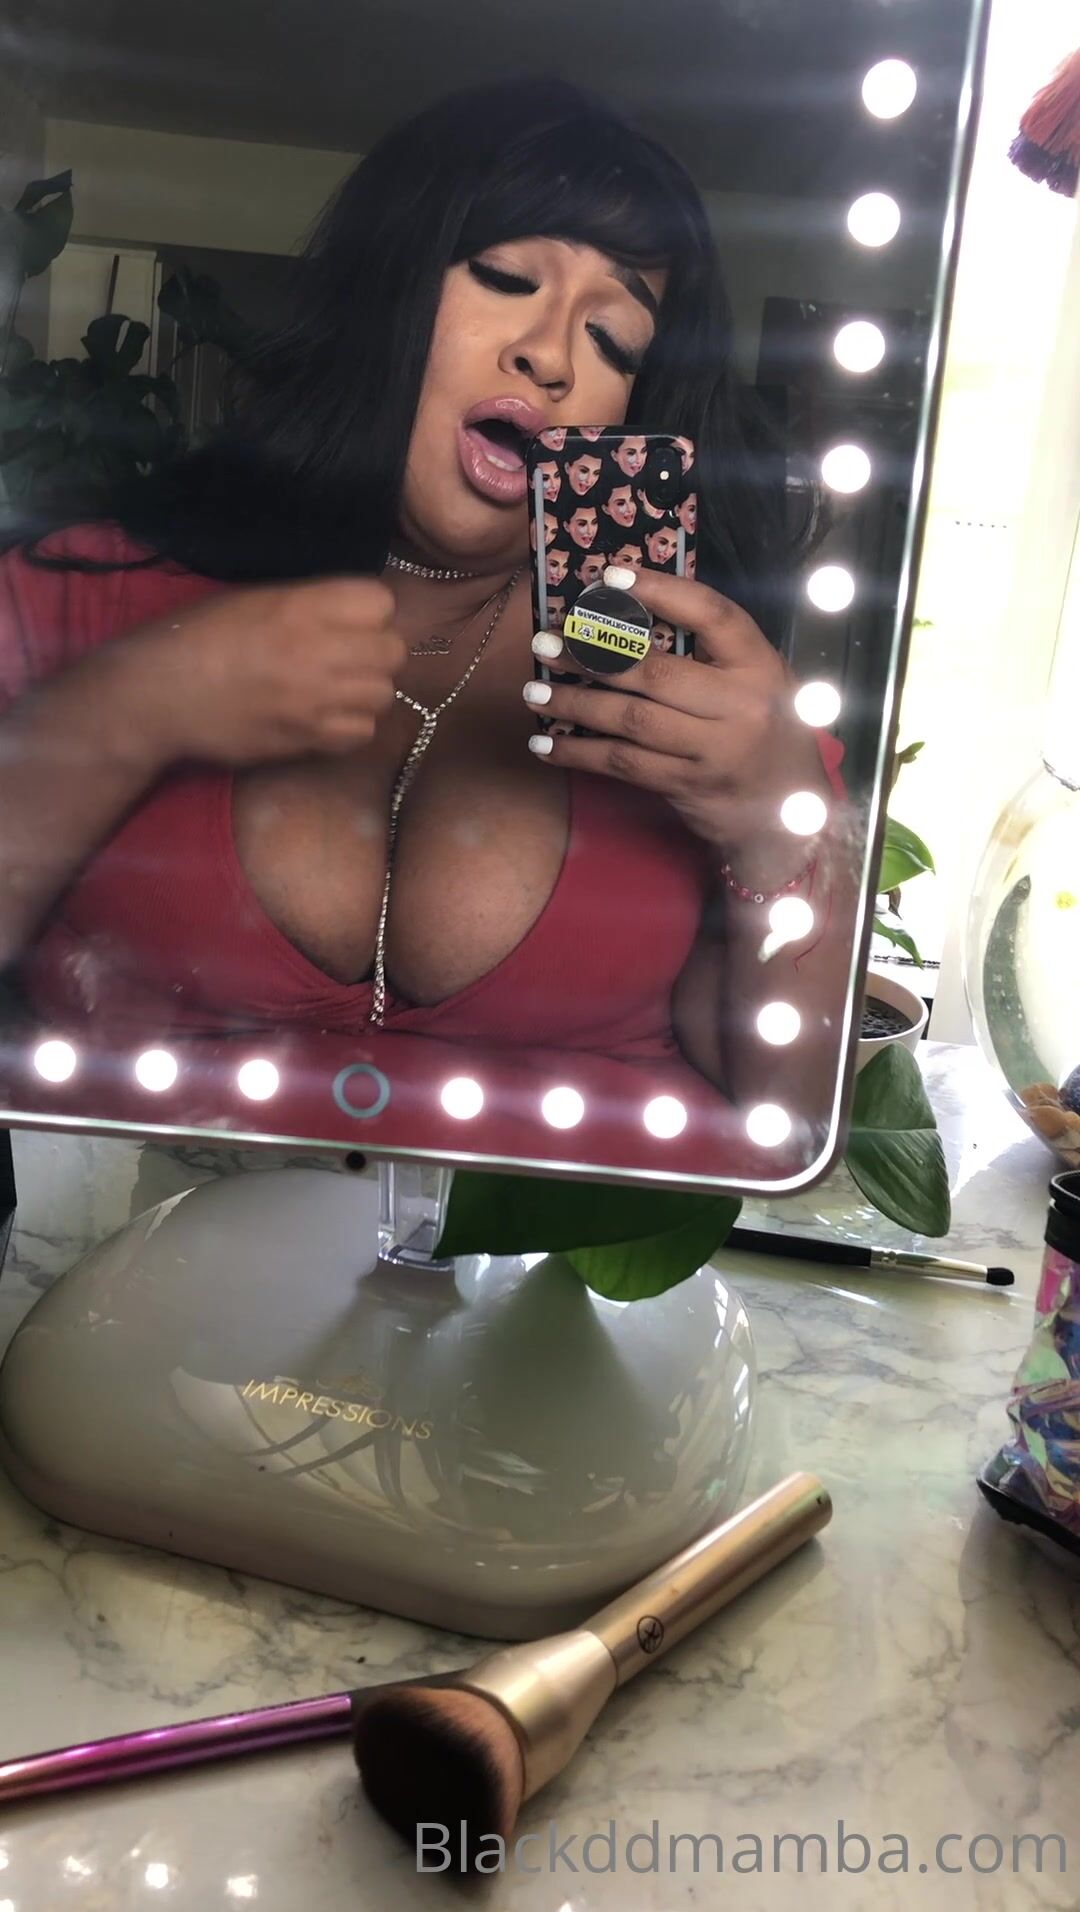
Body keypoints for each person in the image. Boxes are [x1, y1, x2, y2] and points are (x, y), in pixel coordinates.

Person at [0, 76, 850, 1138]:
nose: (550, 355)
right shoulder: (75, 595)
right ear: (387, 291)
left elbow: (789, 1125)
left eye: (615, 340)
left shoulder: (705, 706)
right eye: (506, 277)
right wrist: (125, 707)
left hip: (555, 1250)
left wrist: (778, 838)